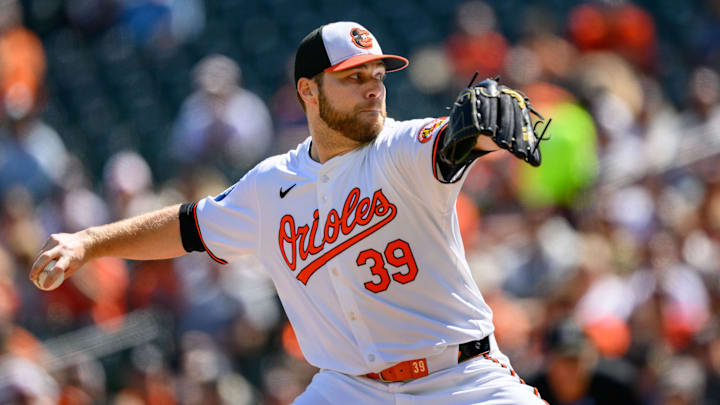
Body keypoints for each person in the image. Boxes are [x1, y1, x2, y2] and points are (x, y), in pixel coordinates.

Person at [31, 21, 547, 404]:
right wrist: (91, 241)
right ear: (308, 90)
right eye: (352, 77)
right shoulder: (270, 185)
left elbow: (453, 140)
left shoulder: (402, 148)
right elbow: (186, 226)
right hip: (347, 390)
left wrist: (480, 128)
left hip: (461, 379)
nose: (373, 86)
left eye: (378, 74)